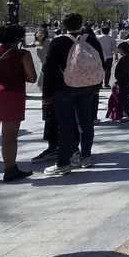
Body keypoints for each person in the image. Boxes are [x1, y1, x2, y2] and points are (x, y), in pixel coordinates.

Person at [41, 13, 104, 176]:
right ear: (81, 24)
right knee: (86, 123)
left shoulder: (58, 41)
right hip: (87, 86)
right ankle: (85, 157)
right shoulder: (91, 40)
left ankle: (63, 163)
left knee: (65, 126)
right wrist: (97, 85)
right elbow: (100, 64)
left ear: (64, 25)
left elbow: (49, 69)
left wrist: (46, 93)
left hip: (63, 88)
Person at [0, 24, 37, 184]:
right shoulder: (22, 54)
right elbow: (32, 78)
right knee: (9, 136)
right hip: (11, 93)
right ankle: (10, 170)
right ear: (19, 38)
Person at [113, 41, 129, 122]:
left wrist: (118, 82)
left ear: (122, 49)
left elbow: (123, 72)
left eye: (119, 50)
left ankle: (127, 114)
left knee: (123, 98)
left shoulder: (124, 59)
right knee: (124, 97)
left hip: (123, 81)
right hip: (125, 80)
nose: (119, 52)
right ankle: (125, 113)